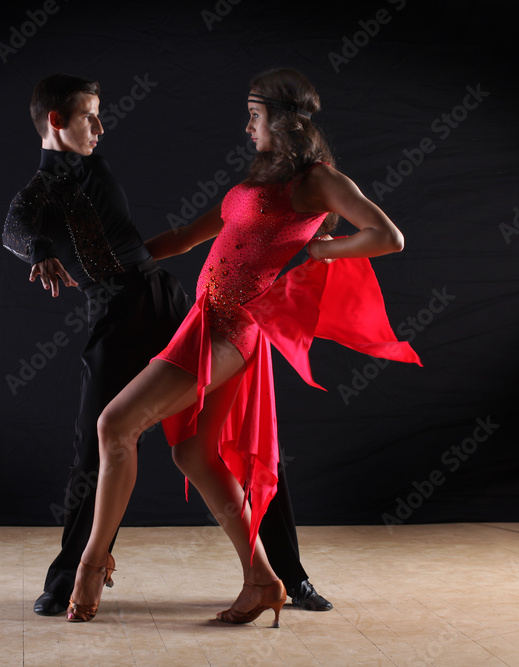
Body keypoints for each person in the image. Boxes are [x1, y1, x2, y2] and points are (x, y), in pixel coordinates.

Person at [67, 68, 421, 625]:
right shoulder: (254, 185)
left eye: (254, 115)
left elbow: (388, 237)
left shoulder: (317, 180)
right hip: (203, 321)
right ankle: (262, 579)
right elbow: (185, 237)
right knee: (194, 455)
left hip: (234, 328)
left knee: (115, 426)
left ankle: (91, 563)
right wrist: (100, 266)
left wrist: (328, 251)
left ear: (282, 119)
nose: (246, 125)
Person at [2, 73, 338, 619]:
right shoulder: (41, 190)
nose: (101, 126)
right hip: (115, 315)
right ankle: (69, 575)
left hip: (165, 302)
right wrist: (39, 248)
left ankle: (289, 576)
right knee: (98, 443)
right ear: (57, 122)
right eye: (90, 116)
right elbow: (16, 224)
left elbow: (154, 244)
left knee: (235, 441)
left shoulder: (97, 166)